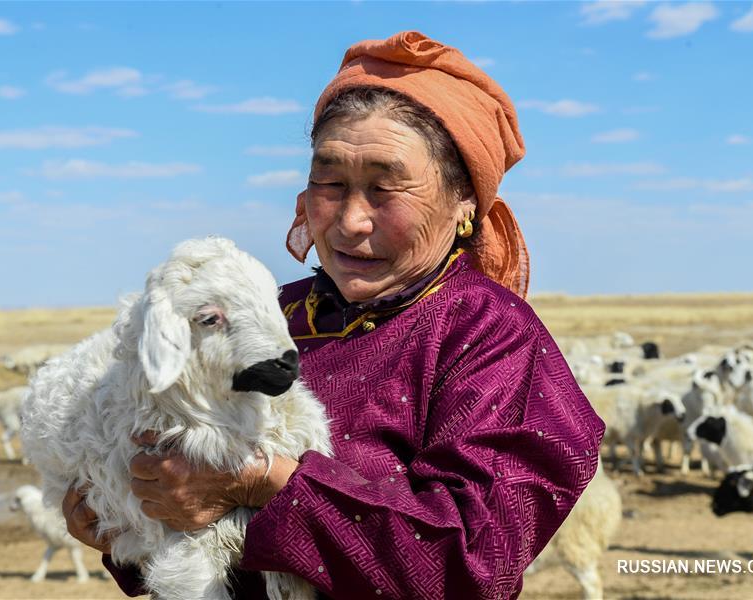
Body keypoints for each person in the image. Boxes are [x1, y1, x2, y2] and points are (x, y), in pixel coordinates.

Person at [62, 31, 605, 599]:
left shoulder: (489, 336)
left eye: (386, 188)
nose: (351, 222)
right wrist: (125, 514)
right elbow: (183, 494)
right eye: (329, 182)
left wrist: (267, 486)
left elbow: (472, 560)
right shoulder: (276, 318)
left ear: (464, 202)